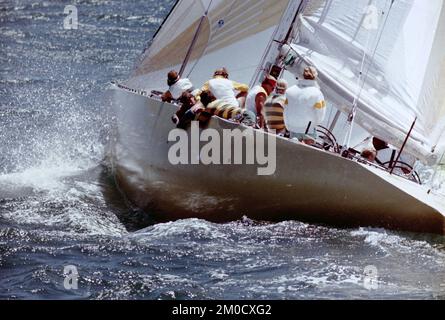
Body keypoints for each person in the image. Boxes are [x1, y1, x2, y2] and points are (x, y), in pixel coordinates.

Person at [285, 66, 326, 141]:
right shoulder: (317, 94)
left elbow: (285, 110)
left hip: (292, 128)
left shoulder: (290, 90)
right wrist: (314, 124)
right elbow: (320, 115)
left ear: (303, 75)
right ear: (315, 76)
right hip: (307, 130)